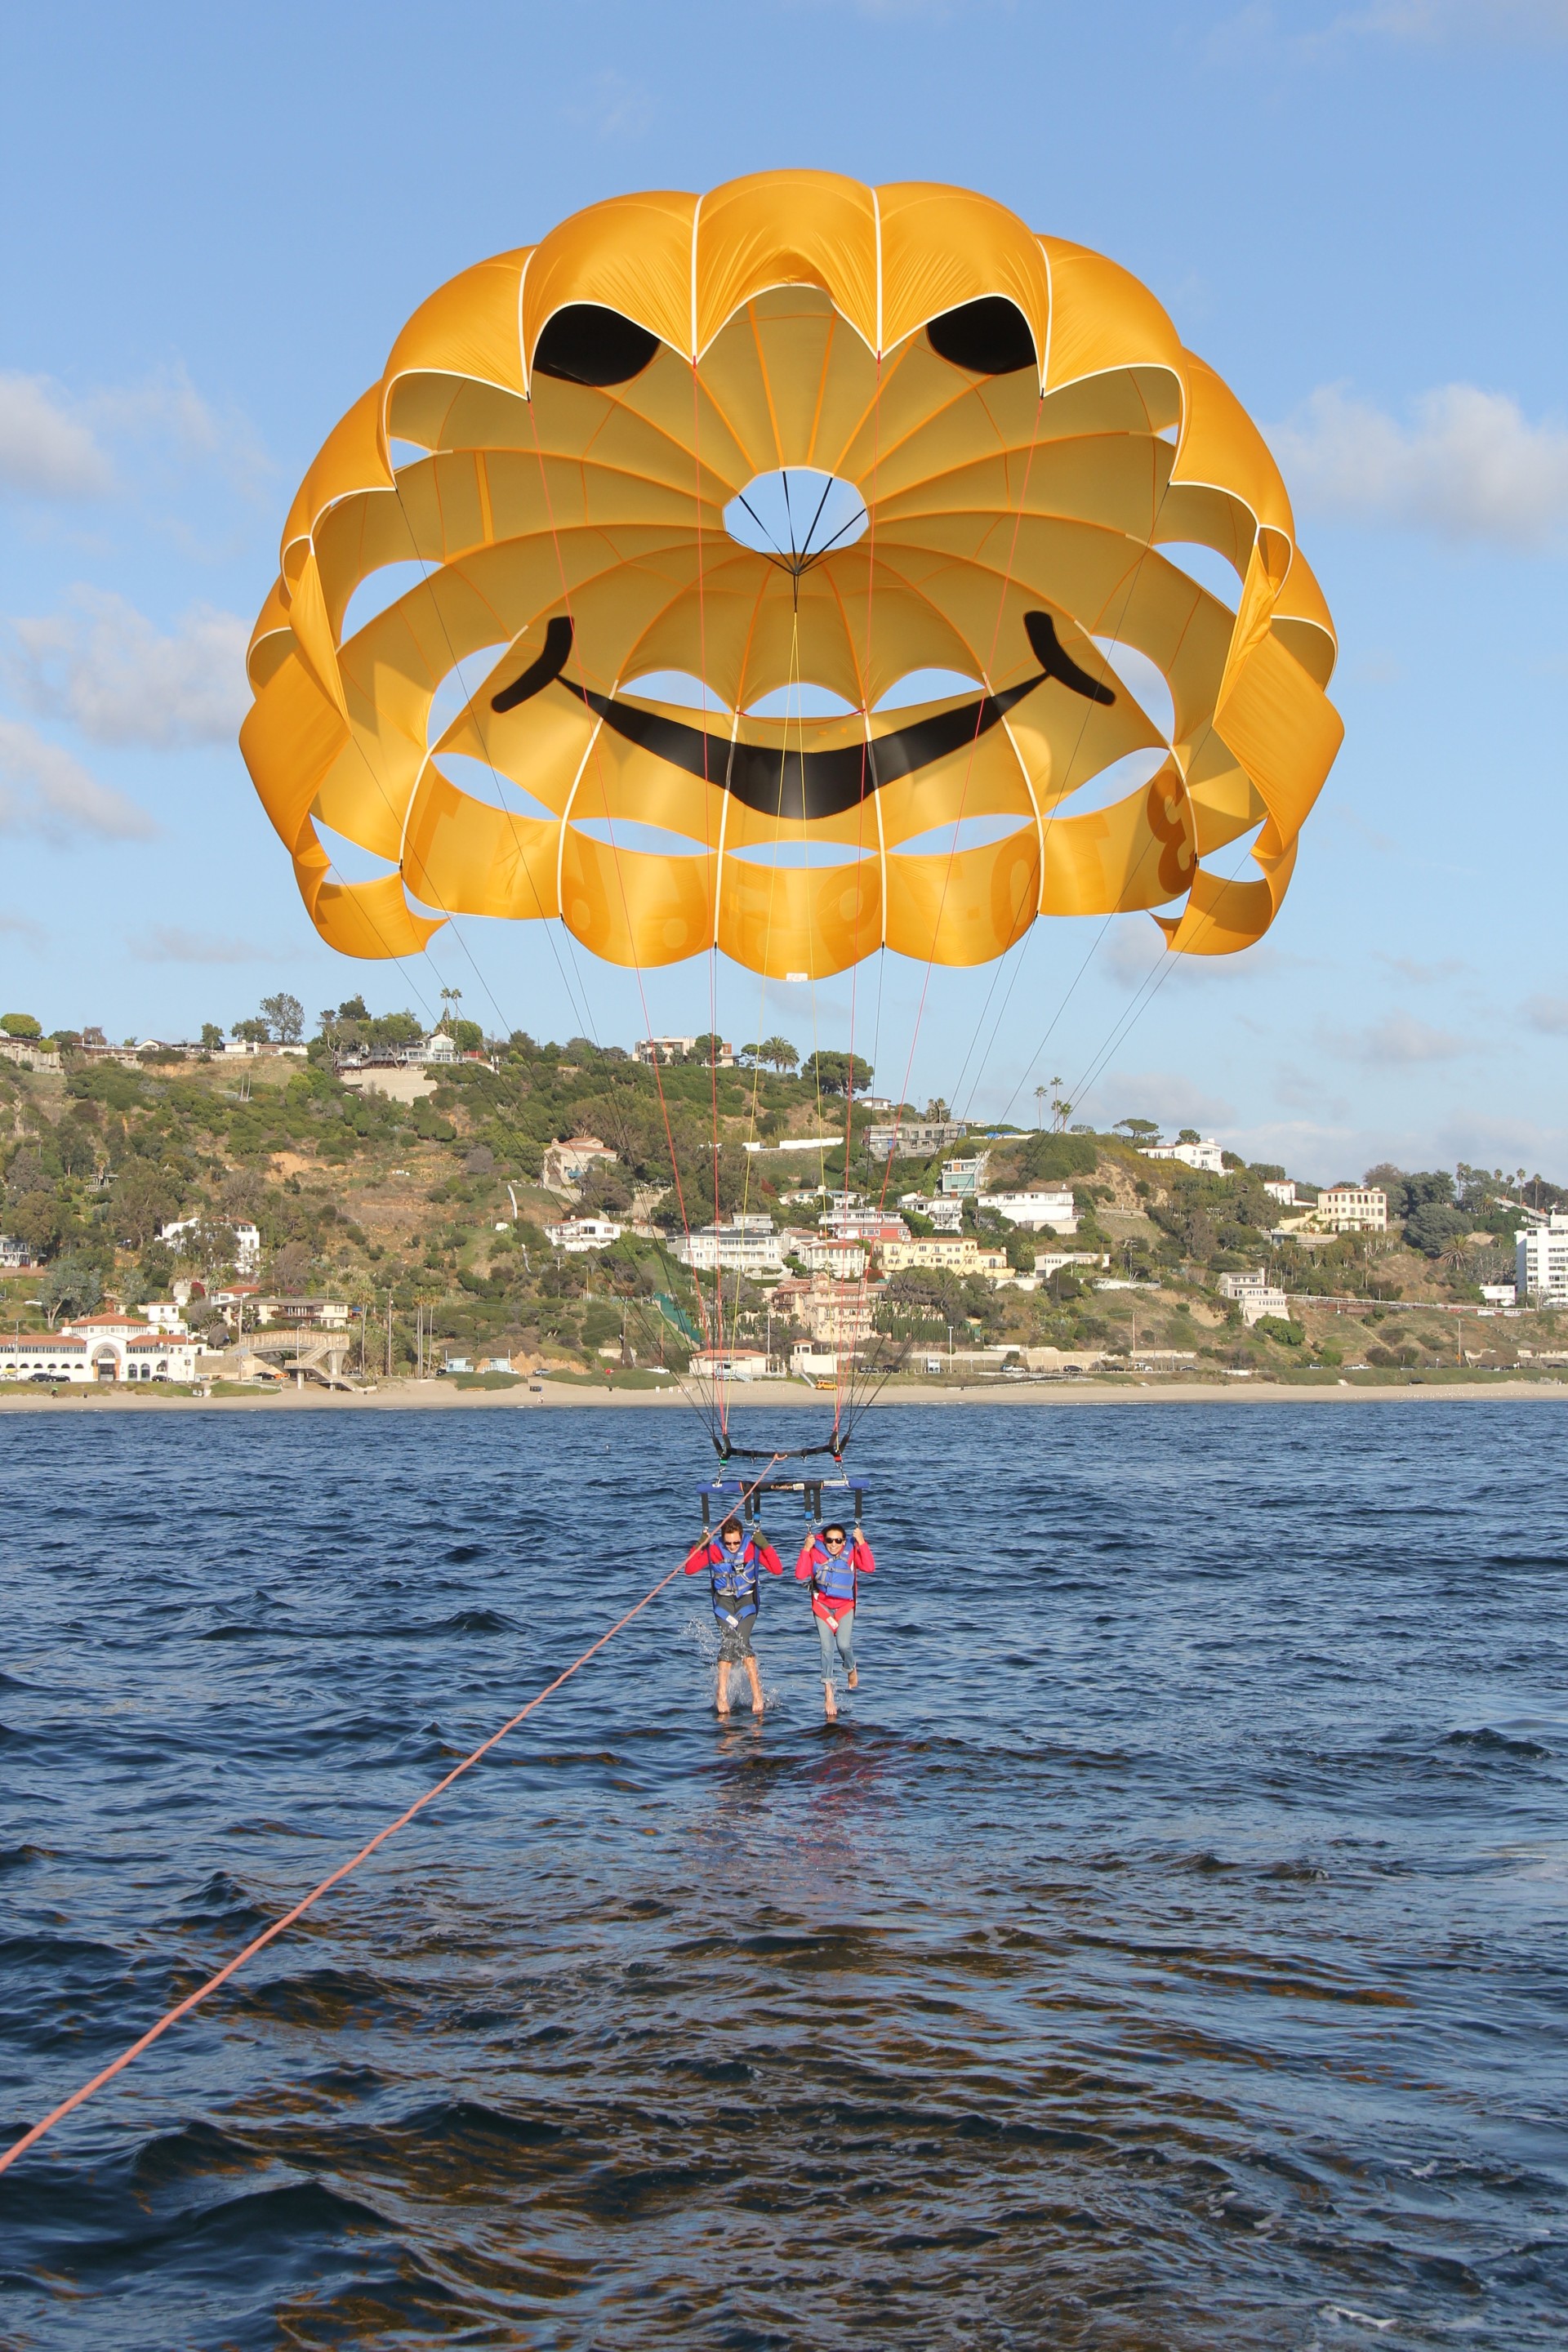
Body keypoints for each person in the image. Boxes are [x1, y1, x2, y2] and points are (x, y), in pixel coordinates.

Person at [684, 1513, 783, 1717]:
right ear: (723, 1540)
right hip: (724, 1603)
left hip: (747, 1602)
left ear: (742, 1538)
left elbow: (777, 1570)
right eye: (728, 1543)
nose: (732, 1547)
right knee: (729, 1641)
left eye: (736, 1543)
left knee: (743, 1641)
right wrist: (700, 1544)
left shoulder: (751, 1548)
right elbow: (689, 1569)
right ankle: (722, 1694)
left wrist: (764, 1545)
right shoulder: (715, 1550)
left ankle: (757, 1694)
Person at [795, 1520, 875, 1721]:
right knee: (826, 1648)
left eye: (838, 1541)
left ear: (843, 1542)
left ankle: (851, 1667)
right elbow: (800, 1574)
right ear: (825, 1540)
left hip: (845, 1606)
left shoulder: (851, 1551)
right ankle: (829, 1695)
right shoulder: (816, 1551)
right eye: (830, 1540)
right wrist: (806, 1549)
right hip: (822, 1606)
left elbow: (869, 1567)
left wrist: (862, 1542)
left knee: (844, 1645)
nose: (833, 1544)